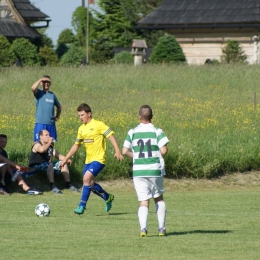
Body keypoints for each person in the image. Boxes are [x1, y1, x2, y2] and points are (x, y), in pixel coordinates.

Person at [59, 103, 124, 215]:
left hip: (99, 159)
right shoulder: (81, 129)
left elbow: (111, 136)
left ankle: (81, 206)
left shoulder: (98, 125)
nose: (80, 117)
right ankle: (107, 197)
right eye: (79, 115)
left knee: (86, 180)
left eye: (82, 115)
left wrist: (117, 151)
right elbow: (76, 146)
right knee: (90, 184)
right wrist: (65, 159)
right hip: (88, 161)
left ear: (89, 114)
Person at [122, 105, 169, 237]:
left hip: (139, 171)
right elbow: (164, 150)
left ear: (139, 117)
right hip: (154, 170)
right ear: (152, 117)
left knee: (143, 200)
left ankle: (143, 229)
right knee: (158, 198)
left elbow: (124, 151)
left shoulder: (132, 132)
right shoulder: (157, 131)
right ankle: (161, 229)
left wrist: (136, 156)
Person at [28, 130, 79, 194]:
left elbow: (58, 156)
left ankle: (68, 184)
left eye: (49, 135)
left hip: (47, 166)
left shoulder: (50, 147)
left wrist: (66, 159)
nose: (48, 136)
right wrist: (49, 142)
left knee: (62, 163)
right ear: (41, 136)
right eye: (46, 135)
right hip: (35, 166)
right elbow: (41, 150)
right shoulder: (37, 145)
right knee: (50, 164)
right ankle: (52, 186)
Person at [31, 75, 61, 142]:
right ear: (41, 83)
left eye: (48, 82)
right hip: (40, 123)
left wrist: (57, 116)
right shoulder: (39, 93)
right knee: (38, 142)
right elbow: (33, 88)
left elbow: (59, 106)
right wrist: (40, 79)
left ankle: (50, 153)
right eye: (44, 82)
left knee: (51, 142)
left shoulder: (52, 95)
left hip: (51, 123)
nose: (46, 83)